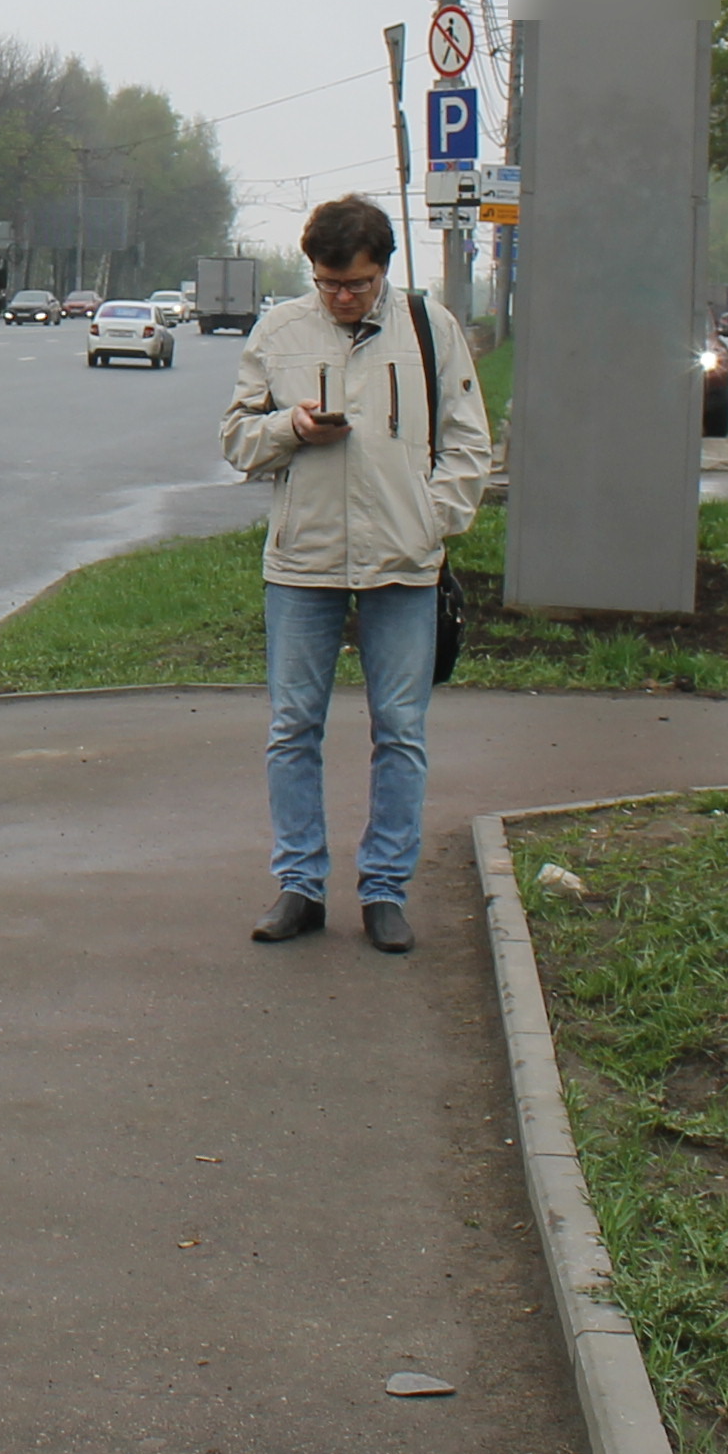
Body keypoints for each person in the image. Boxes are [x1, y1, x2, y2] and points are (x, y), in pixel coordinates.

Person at [215, 195, 493, 954]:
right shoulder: (280, 331)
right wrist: (291, 428)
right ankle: (300, 884)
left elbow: (470, 446)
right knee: (292, 728)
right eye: (329, 283)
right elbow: (237, 440)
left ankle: (385, 891)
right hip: (303, 566)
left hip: (403, 570)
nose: (342, 298)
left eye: (358, 284)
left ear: (385, 271)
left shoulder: (431, 330)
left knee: (400, 731)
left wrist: (430, 522)